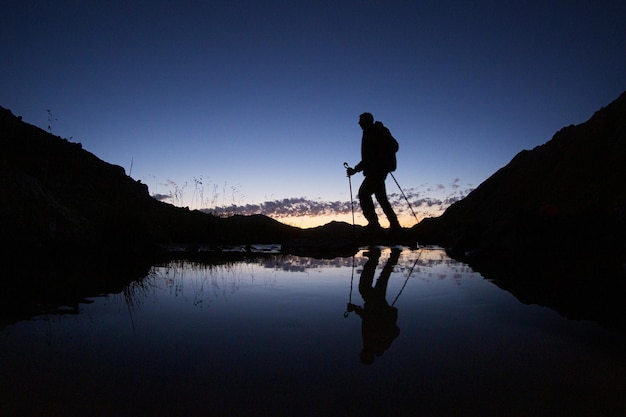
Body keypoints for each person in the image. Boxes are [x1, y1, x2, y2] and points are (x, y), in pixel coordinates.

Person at [346, 112, 402, 233]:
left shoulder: (379, 130)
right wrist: (355, 170)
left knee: (364, 193)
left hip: (378, 170)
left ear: (367, 121)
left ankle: (374, 225)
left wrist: (382, 156)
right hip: (376, 170)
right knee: (381, 198)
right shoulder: (368, 133)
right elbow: (368, 158)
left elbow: (394, 146)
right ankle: (395, 226)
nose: (359, 123)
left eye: (361, 121)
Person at [346, 247, 401, 364]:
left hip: (379, 307)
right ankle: (375, 257)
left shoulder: (372, 345)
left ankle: (392, 255)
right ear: (367, 355)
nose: (361, 352)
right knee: (365, 288)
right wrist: (356, 309)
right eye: (363, 354)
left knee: (383, 277)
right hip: (377, 307)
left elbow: (367, 319)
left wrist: (356, 308)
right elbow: (370, 319)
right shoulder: (374, 344)